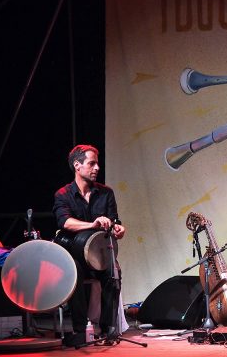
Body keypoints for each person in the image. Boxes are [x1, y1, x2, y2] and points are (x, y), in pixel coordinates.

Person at [53, 145, 126, 344]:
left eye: (97, 163)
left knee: (114, 272)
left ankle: (108, 329)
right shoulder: (63, 194)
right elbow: (65, 222)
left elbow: (114, 221)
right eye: (91, 163)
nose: (97, 168)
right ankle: (79, 331)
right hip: (75, 254)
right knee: (74, 273)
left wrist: (118, 228)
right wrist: (92, 224)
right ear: (77, 165)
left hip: (98, 253)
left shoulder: (106, 193)